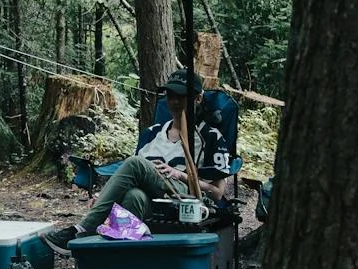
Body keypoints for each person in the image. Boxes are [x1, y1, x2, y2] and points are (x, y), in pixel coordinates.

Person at [48, 69, 232, 249]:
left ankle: (82, 229)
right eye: (170, 95)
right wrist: (105, 195)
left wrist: (181, 175)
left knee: (136, 163)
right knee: (132, 196)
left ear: (197, 98)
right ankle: (129, 260)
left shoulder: (210, 137)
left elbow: (217, 193)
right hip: (151, 203)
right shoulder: (151, 134)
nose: (174, 101)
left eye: (181, 96)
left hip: (184, 200)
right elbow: (130, 175)